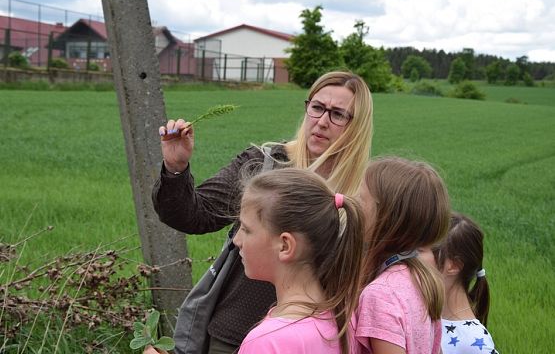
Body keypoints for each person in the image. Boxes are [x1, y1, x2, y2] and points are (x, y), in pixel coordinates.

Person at [152, 71, 374, 354]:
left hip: (314, 339)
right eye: (317, 108)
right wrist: (175, 167)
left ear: (358, 126)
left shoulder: (364, 192)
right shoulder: (265, 164)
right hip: (236, 333)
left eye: (338, 114)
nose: (322, 121)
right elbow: (194, 215)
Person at [232, 167, 365, 353]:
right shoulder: (344, 320)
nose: (236, 240)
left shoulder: (267, 342)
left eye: (246, 229)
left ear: (285, 246)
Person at [356, 157, 450, 354]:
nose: (353, 204)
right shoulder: (421, 278)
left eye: (361, 199)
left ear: (385, 216)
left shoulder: (380, 295)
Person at [427, 213, 499, 354]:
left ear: (454, 265)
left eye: (424, 250)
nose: (415, 259)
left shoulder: (475, 343)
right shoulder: (421, 312)